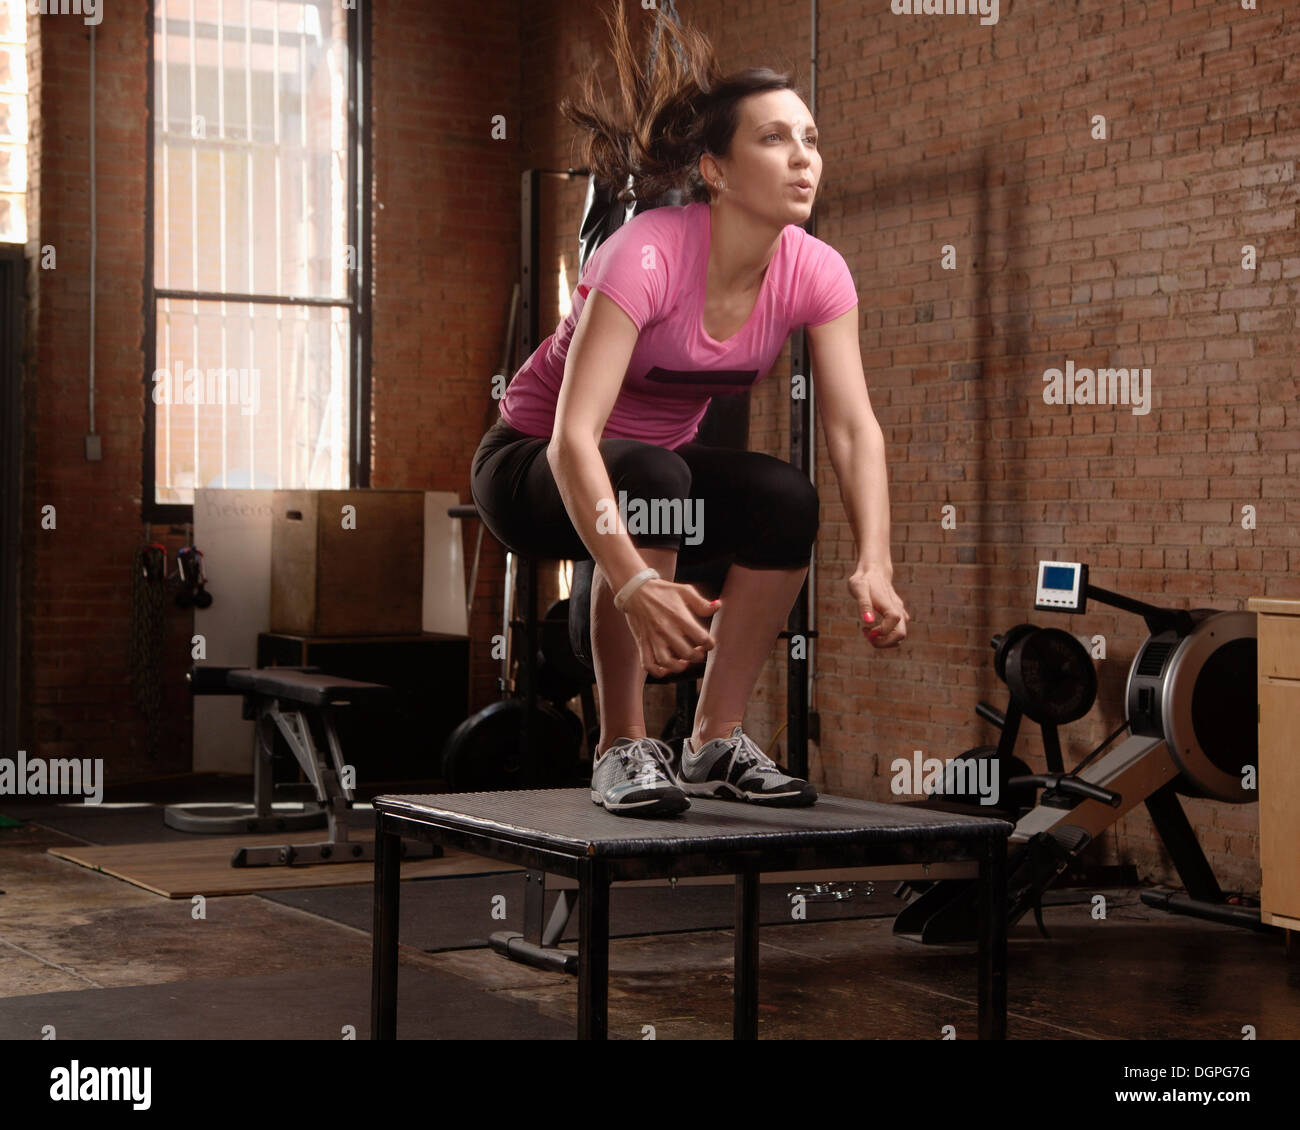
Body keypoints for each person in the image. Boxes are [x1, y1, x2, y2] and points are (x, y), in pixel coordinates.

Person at [471, 4, 909, 817]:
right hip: (531, 466)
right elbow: (575, 436)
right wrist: (632, 581)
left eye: (810, 138)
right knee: (650, 467)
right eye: (774, 139)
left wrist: (875, 557)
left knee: (786, 497)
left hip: (644, 476)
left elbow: (852, 427)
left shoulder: (815, 271)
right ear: (714, 170)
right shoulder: (644, 253)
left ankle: (713, 736)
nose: (803, 158)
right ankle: (623, 744)